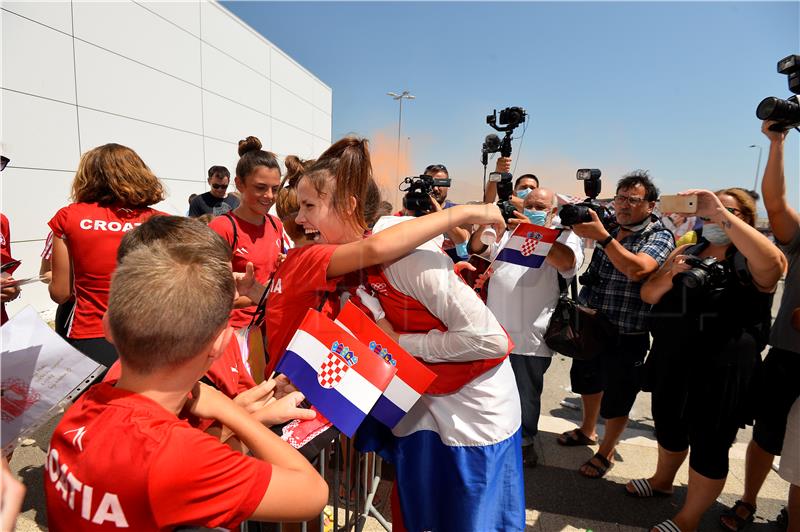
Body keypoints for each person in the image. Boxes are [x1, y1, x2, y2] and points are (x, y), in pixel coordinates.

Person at [44, 237, 328, 530]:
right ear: (219, 343)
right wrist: (231, 412)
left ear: (107, 326)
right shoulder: (175, 456)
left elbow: (188, 465)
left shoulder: (83, 407)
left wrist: (246, 414)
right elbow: (312, 493)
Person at [233, 136, 506, 380]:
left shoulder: (300, 259)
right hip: (300, 386)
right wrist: (462, 214)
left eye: (309, 206)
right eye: (300, 208)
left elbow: (293, 305)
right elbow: (376, 248)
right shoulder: (310, 256)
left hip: (300, 382)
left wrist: (257, 292)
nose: (301, 218)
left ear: (350, 205)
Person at [625, 188, 785, 532]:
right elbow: (648, 293)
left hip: (723, 370)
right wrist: (669, 275)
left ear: (743, 220)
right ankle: (662, 480)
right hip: (672, 359)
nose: (711, 219)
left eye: (724, 213)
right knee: (667, 425)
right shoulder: (688, 249)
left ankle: (688, 519)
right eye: (707, 212)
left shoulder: (749, 260)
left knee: (709, 442)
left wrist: (721, 215)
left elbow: (775, 266)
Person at [354, 212, 523, 532]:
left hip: (472, 418)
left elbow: (492, 342)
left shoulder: (413, 261)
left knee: (471, 515)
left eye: (311, 206)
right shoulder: (360, 260)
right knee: (421, 507)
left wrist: (402, 342)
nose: (305, 218)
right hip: (422, 405)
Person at [560, 170, 675, 479]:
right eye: (620, 198)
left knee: (618, 396)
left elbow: (637, 270)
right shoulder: (608, 224)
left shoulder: (658, 234)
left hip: (627, 333)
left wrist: (605, 238)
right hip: (591, 325)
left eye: (633, 200)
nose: (623, 205)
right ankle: (587, 430)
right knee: (586, 381)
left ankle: (607, 450)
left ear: (651, 205)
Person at [720, 120, 800, 532]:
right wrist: (777, 142)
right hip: (789, 353)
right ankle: (748, 499)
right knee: (767, 434)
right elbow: (776, 199)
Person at [469, 187, 584, 468]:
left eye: (540, 206)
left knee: (525, 394)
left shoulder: (565, 238)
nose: (533, 208)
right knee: (490, 390)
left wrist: (533, 230)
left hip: (531, 335)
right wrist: (487, 220)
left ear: (553, 212)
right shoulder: (509, 232)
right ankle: (493, 437)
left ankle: (524, 442)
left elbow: (567, 263)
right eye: (529, 204)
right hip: (495, 331)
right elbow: (478, 248)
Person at [47, 143, 165, 369]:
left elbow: (61, 293)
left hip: (91, 336)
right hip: (154, 336)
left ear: (89, 176)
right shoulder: (162, 221)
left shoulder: (69, 217)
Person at [209, 137, 286, 329]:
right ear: (239, 184)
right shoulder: (222, 228)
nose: (269, 196)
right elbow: (216, 297)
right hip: (236, 332)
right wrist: (265, 292)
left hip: (271, 325)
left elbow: (277, 278)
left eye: (275, 189)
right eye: (261, 187)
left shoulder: (276, 224)